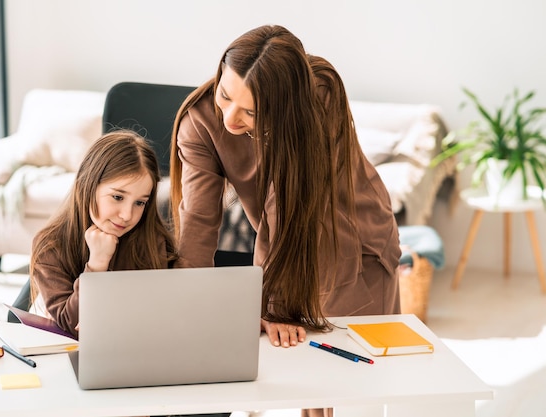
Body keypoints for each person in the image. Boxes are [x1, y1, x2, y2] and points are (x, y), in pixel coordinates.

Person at [170, 25, 401, 351]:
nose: (230, 120)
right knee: (304, 379)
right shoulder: (200, 122)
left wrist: (270, 304)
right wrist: (183, 306)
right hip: (289, 248)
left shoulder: (320, 92)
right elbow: (197, 219)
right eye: (225, 95)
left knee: (353, 378)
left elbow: (287, 204)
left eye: (252, 111)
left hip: (356, 242)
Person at [30, 129, 177, 338]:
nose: (127, 215)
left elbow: (158, 320)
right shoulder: (50, 244)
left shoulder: (153, 241)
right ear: (87, 185)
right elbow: (71, 325)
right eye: (117, 197)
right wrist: (97, 265)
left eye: (139, 202)